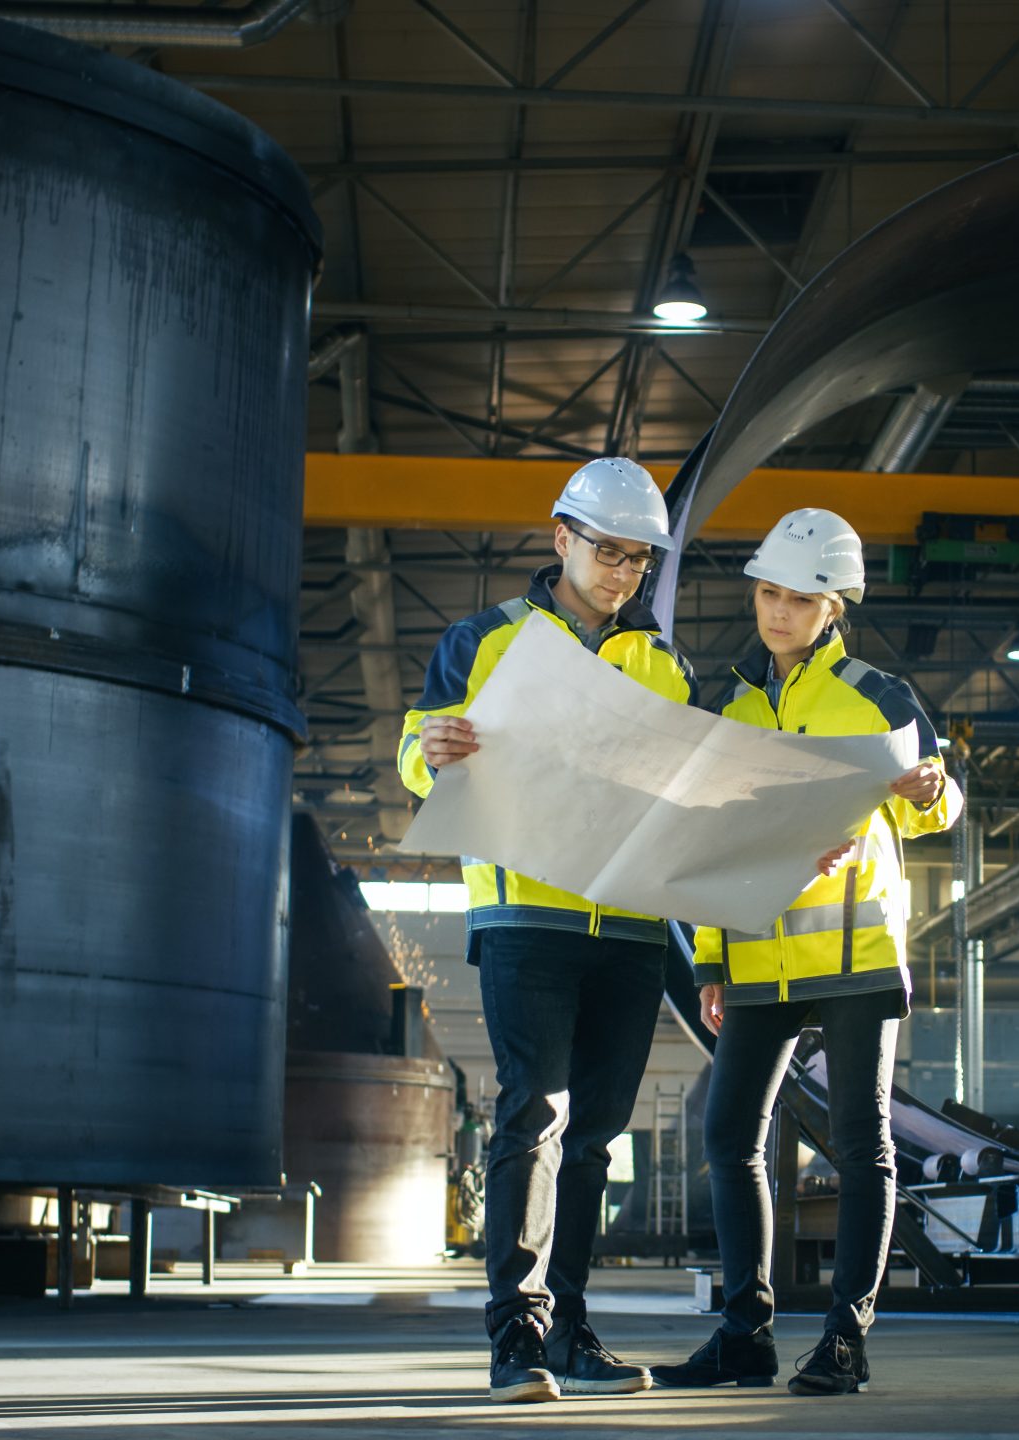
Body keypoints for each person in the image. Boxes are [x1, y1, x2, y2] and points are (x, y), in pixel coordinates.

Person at [399, 456, 695, 1404]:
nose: (623, 573)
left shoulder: (665, 664)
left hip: (635, 926)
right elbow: (420, 751)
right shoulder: (483, 641)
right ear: (561, 537)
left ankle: (570, 1331)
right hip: (528, 914)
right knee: (534, 1114)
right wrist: (429, 751)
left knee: (596, 1139)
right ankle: (515, 1339)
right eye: (608, 551)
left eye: (639, 560)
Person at [652, 507, 962, 1397]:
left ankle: (844, 1338)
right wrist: (709, 961)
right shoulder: (728, 708)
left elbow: (933, 808)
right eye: (767, 592)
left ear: (836, 606)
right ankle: (745, 1332)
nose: (778, 611)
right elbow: (707, 845)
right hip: (753, 954)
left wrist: (934, 789)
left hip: (854, 952)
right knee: (730, 1135)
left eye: (799, 598)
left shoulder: (877, 695)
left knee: (861, 1144)